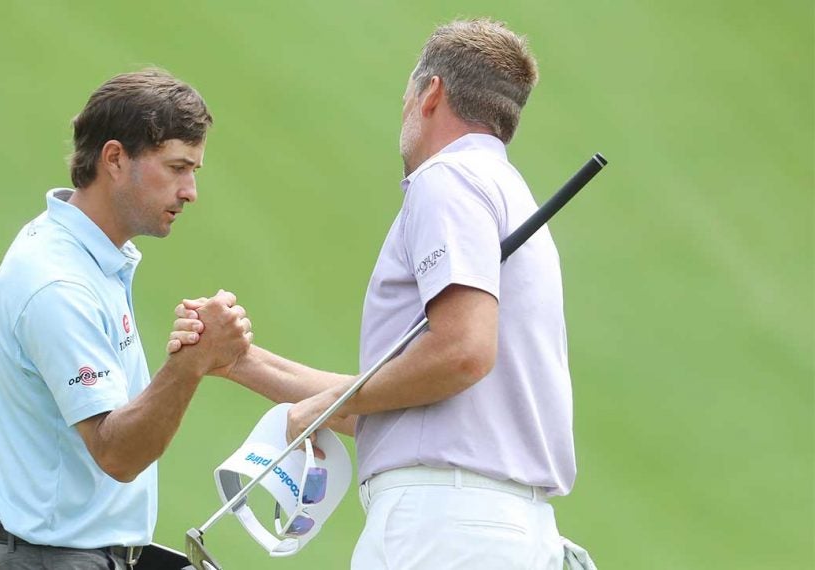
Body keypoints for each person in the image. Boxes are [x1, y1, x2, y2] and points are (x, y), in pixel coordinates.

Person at [173, 18, 594, 570]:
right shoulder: (505, 191)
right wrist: (241, 362)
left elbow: (463, 351)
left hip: (443, 528)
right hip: (489, 529)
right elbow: (396, 402)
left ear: (431, 93)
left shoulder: (448, 180)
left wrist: (326, 404)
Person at [0, 68, 253, 570]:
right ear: (115, 159)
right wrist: (188, 366)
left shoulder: (87, 261)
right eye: (176, 168)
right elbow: (117, 453)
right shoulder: (59, 284)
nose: (190, 190)